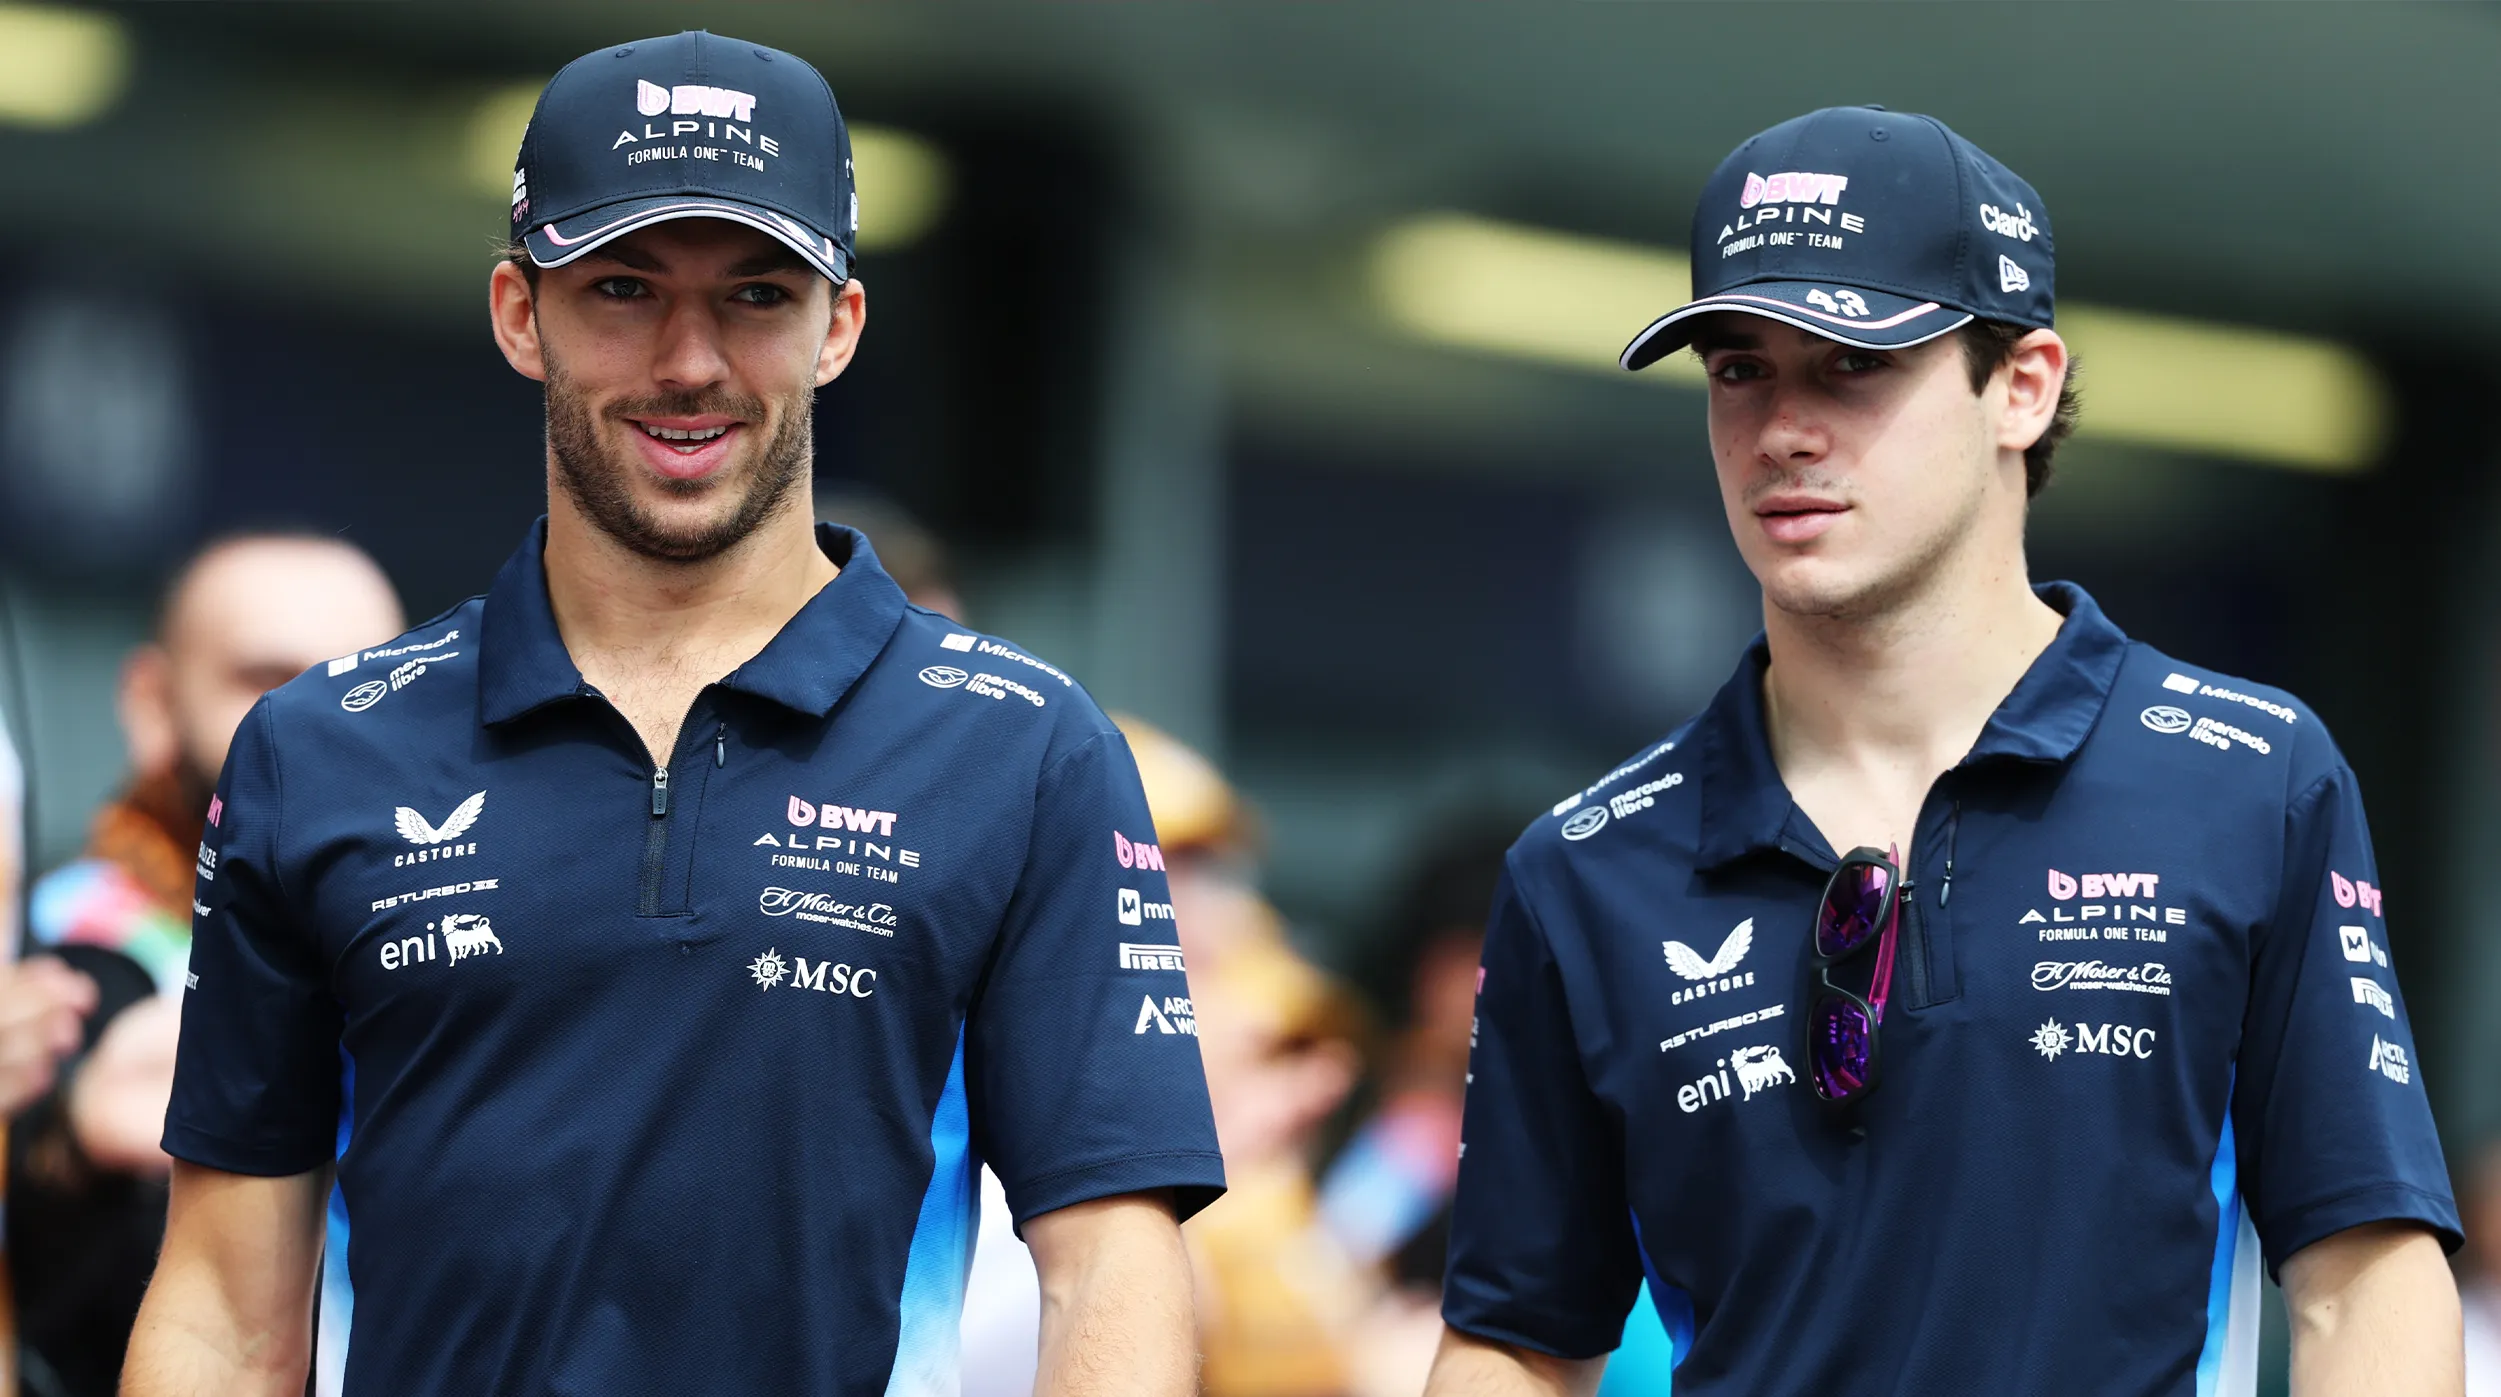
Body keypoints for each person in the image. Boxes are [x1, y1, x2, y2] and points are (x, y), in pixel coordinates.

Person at [125, 31, 1223, 1397]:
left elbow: (1111, 1270)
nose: (690, 360)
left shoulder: (1025, 747)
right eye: (624, 287)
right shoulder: (321, 747)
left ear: (839, 325)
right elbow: (227, 1305)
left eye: (756, 294)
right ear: (521, 314)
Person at [1426, 106, 2462, 1396]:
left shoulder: (2247, 777)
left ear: (2019, 387)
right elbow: (1516, 1339)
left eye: (1851, 366)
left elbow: (2362, 1276)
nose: (1781, 430)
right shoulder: (1583, 869)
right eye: (1739, 369)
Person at [7, 532, 402, 1397]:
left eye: (373, 682)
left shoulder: (473, 957)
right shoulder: (45, 957)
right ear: (151, 702)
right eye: (269, 683)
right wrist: (60, 1146)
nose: (327, 723)